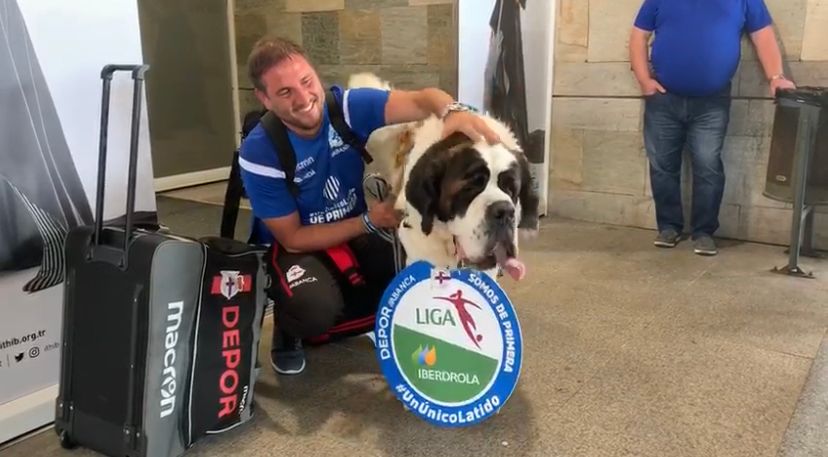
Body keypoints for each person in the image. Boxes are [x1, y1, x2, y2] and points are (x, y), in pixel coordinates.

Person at [238, 35, 501, 375]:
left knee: (422, 273)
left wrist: (452, 111)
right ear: (264, 98)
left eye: (306, 82)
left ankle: (367, 312)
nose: (304, 99)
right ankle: (292, 329)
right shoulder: (260, 150)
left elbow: (424, 99)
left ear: (316, 75)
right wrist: (369, 220)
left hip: (355, 228)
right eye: (285, 92)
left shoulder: (345, 108)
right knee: (313, 313)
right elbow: (293, 238)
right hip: (297, 245)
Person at [629, 0, 795, 255]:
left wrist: (776, 77)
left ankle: (704, 232)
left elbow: (763, 35)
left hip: (712, 101)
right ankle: (668, 227)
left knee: (708, 164)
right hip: (663, 99)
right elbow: (639, 36)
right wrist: (644, 81)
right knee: (662, 165)